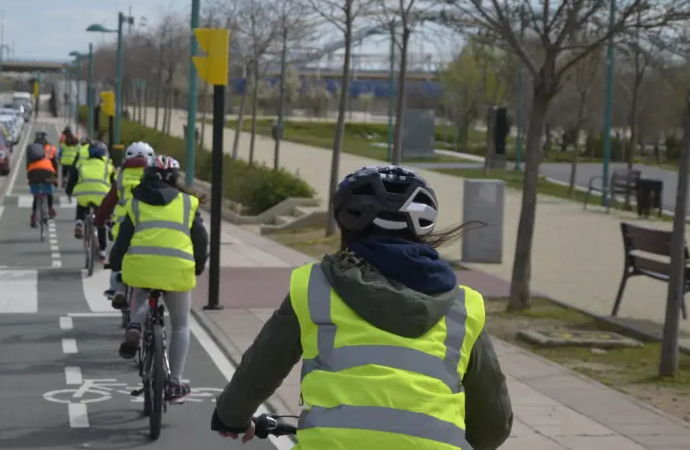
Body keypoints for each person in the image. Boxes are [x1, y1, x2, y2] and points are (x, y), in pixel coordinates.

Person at [209, 165, 514, 449]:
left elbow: (263, 365)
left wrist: (232, 416)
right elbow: (494, 425)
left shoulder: (316, 286)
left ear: (347, 228)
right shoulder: (463, 305)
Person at [109, 155, 208, 403]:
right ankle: (174, 383)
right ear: (175, 178)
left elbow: (122, 240)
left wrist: (115, 263)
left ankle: (135, 325)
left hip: (142, 267)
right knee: (181, 325)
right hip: (177, 269)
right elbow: (201, 240)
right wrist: (198, 266)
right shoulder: (189, 203)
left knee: (141, 291)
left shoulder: (135, 203)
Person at [95, 140, 155, 302]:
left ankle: (116, 288)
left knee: (116, 253)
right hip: (149, 229)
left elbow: (108, 203)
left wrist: (99, 220)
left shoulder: (120, 178)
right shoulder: (155, 177)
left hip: (121, 228)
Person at [68, 142, 112, 259]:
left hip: (84, 193)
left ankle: (79, 222)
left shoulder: (81, 164)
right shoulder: (108, 166)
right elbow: (114, 183)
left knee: (82, 204)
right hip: (101, 196)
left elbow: (73, 179)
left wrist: (69, 191)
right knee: (101, 221)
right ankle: (102, 250)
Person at [26, 131, 59, 228]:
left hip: (33, 173)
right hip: (48, 173)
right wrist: (55, 176)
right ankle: (50, 209)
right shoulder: (51, 149)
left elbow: (28, 164)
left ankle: (33, 216)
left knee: (36, 197)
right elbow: (55, 163)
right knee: (50, 190)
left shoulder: (32, 149)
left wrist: (30, 176)